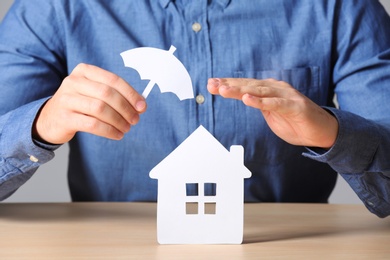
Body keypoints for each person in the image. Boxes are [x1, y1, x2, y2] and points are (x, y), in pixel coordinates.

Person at [0, 0, 389, 217]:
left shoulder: (341, 7)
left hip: (286, 244)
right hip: (113, 244)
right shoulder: (51, 7)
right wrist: (38, 125)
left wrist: (330, 132)